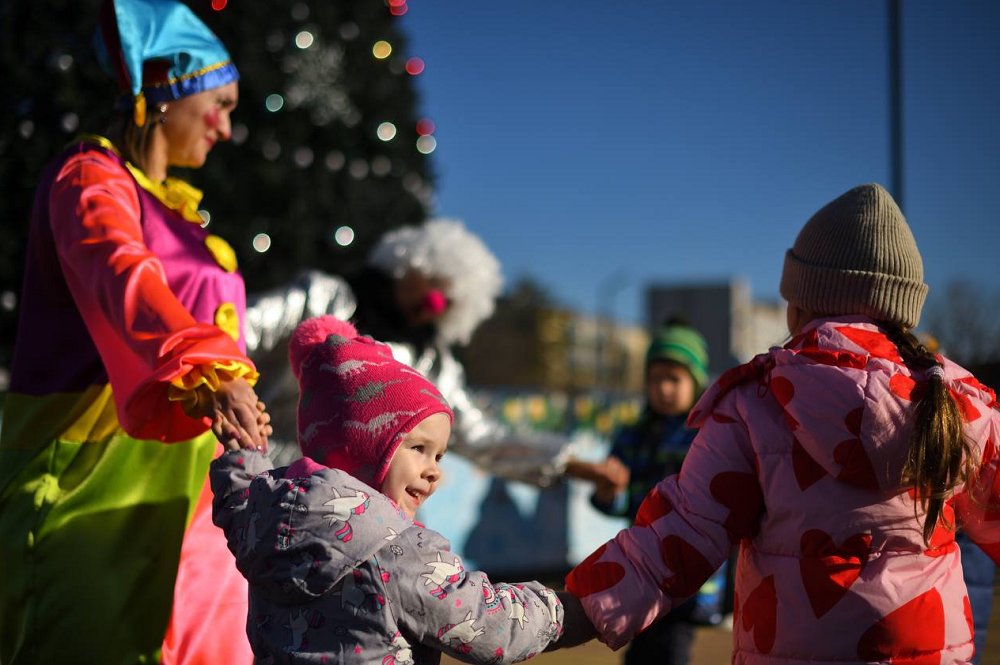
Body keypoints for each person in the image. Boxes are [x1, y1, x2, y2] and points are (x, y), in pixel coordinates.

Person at [558, 184, 1000, 663]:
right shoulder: (959, 404)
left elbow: (679, 536)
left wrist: (557, 614)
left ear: (799, 303)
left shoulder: (754, 404)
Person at [0, 1, 269, 662]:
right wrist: (210, 369)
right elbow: (121, 272)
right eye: (220, 104)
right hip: (92, 479)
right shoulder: (88, 177)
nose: (227, 128)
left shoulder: (185, 220)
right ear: (169, 92)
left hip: (195, 498)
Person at [210, 315, 567, 663]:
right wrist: (567, 609)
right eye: (418, 448)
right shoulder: (396, 549)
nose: (434, 472)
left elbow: (237, 499)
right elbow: (489, 626)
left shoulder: (263, 517)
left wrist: (244, 449)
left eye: (439, 456)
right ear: (361, 444)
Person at [245, 219, 573, 483]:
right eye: (434, 283)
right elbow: (237, 328)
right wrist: (232, 389)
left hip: (365, 510)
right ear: (409, 264)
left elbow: (480, 438)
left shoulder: (432, 363)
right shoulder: (324, 298)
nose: (434, 303)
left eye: (449, 300)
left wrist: (574, 465)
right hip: (265, 481)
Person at [563, 320, 727, 663]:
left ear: (696, 383)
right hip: (642, 564)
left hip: (690, 568)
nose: (664, 388)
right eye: (655, 379)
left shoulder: (709, 435)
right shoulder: (633, 435)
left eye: (674, 379)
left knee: (670, 649)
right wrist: (610, 490)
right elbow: (617, 504)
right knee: (639, 652)